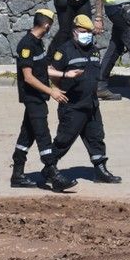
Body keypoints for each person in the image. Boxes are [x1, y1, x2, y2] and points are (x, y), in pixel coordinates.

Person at [10, 9, 77, 192]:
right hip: (33, 98)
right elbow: (29, 78)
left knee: (26, 135)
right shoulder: (26, 45)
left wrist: (64, 74)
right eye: (51, 25)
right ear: (46, 25)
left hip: (39, 97)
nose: (50, 28)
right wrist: (52, 91)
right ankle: (53, 174)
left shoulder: (38, 43)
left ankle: (17, 175)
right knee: (43, 136)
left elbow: (43, 70)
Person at [50, 14, 122, 183]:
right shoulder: (64, 50)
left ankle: (100, 170)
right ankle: (50, 167)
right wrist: (54, 89)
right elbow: (51, 70)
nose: (87, 34)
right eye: (83, 31)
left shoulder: (94, 50)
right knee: (64, 139)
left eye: (90, 31)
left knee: (96, 137)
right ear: (75, 31)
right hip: (72, 105)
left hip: (91, 103)